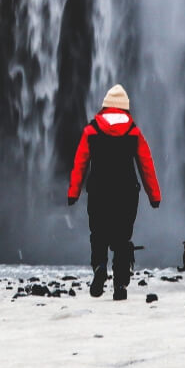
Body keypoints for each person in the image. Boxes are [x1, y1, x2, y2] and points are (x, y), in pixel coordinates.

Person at [66, 84, 161, 300]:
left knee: (98, 234)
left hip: (99, 191)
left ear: (105, 107)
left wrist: (74, 193)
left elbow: (79, 163)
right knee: (122, 239)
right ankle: (120, 285)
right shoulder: (134, 132)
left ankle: (100, 267)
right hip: (127, 193)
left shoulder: (91, 130)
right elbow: (146, 165)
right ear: (125, 109)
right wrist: (154, 196)